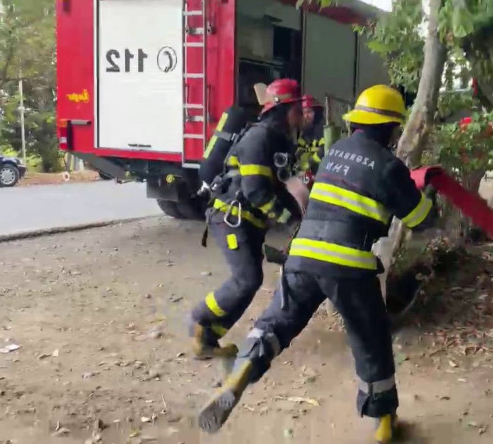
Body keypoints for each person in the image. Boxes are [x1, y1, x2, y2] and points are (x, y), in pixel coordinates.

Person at [197, 85, 438, 443]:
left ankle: (240, 372)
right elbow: (421, 220)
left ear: (356, 122)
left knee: (276, 323)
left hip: (302, 256)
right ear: (391, 128)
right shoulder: (390, 166)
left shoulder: (334, 152)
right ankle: (384, 423)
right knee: (371, 340)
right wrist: (427, 195)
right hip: (350, 266)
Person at [188, 79, 304, 360]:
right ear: (284, 110)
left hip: (247, 221)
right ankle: (198, 320)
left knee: (250, 280)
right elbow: (256, 191)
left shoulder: (275, 140)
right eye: (298, 109)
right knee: (247, 279)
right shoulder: (259, 139)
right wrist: (288, 219)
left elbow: (277, 187)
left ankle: (208, 339)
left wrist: (302, 216)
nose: (302, 116)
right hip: (230, 218)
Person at [295, 94, 326, 175]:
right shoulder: (305, 132)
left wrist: (309, 162)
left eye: (309, 112)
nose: (306, 116)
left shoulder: (323, 130)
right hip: (307, 174)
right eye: (303, 113)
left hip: (321, 173)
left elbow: (323, 151)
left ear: (317, 113)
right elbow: (300, 149)